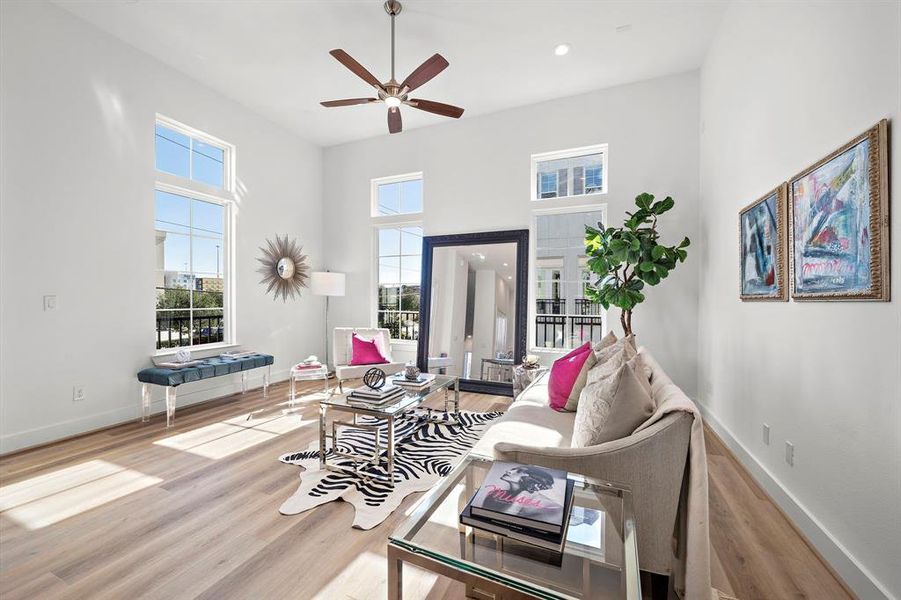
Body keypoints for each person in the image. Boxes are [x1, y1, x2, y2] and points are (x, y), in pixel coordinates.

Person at [481, 465, 564, 522]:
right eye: (513, 469)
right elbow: (489, 518)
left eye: (518, 471)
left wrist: (523, 494)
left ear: (531, 478)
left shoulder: (549, 506)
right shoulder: (495, 493)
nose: (508, 471)